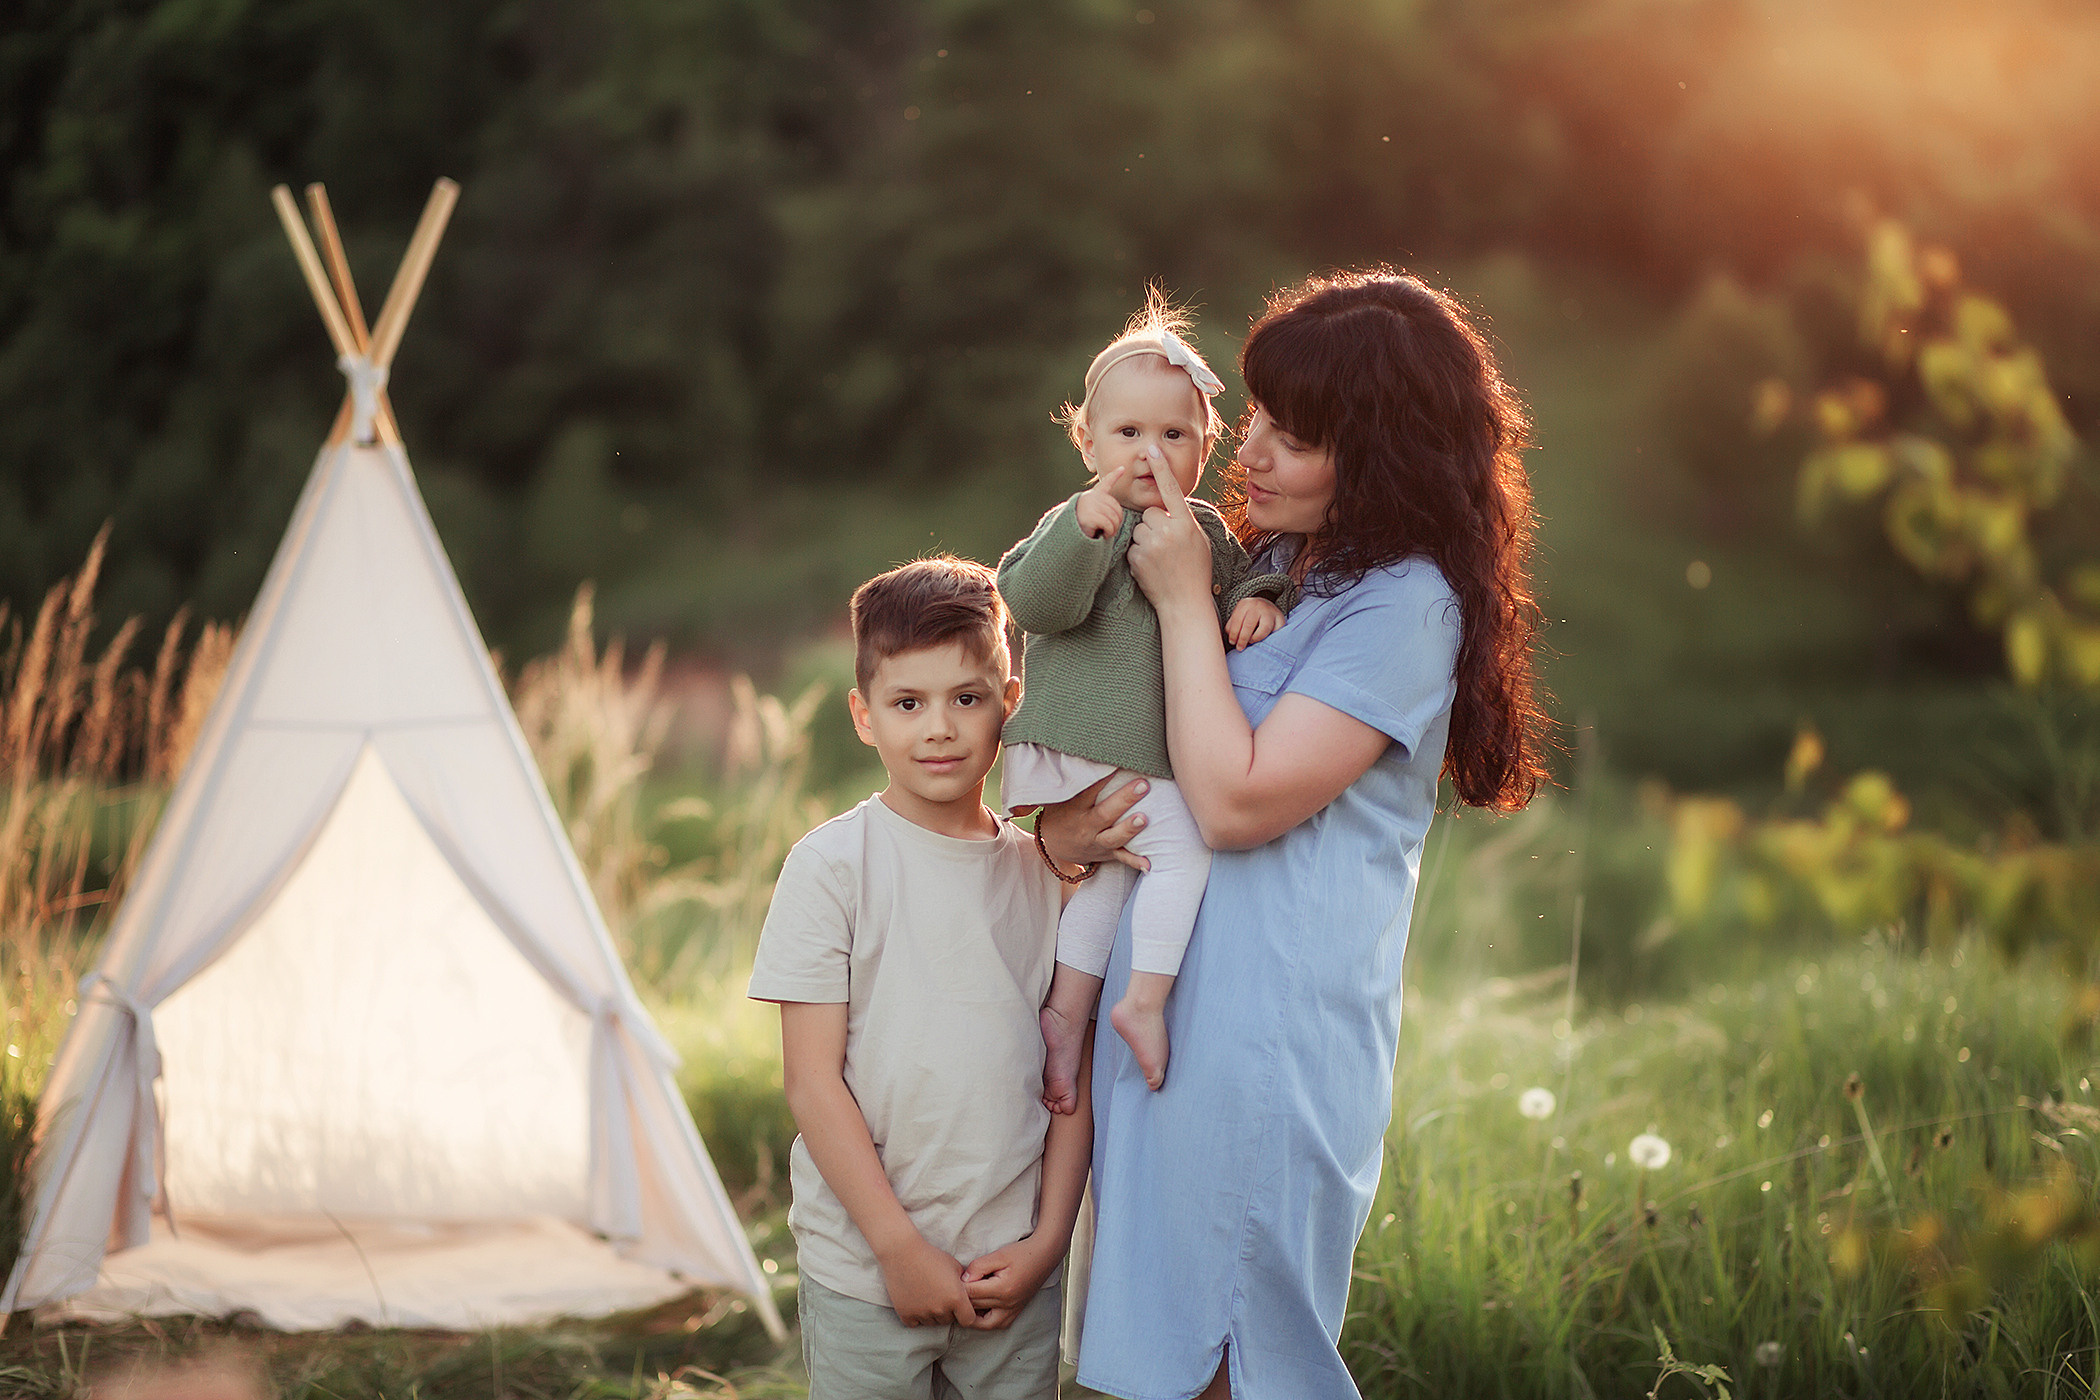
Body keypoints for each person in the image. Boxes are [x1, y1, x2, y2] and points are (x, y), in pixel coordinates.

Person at [1035, 270, 1550, 1400]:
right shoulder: (1291, 569)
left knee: (1233, 1357)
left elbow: (1236, 800)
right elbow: (1151, 754)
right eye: (1255, 414)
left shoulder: (1405, 604)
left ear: (1383, 455)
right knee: (1150, 1356)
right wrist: (1062, 829)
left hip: (1259, 1036)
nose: (1249, 450)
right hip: (1168, 1017)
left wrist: (1178, 602)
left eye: (1295, 435)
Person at [749, 557, 1093, 1400]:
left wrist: (1048, 1242)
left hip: (1009, 1269)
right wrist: (897, 1248)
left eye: (966, 699)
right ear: (864, 716)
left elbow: (1073, 1074)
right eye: (909, 704)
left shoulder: (1048, 873)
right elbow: (812, 1081)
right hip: (867, 1270)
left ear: (1009, 704)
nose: (938, 728)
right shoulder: (833, 867)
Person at [998, 295, 1295, 1114]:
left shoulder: (1200, 527)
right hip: (1077, 739)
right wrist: (1082, 531)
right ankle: (1145, 1001)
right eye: (1127, 434)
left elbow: (1243, 577)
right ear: (1087, 442)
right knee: (1186, 848)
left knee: (1108, 884)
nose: (1150, 454)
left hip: (1133, 759)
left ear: (1207, 448)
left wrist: (1260, 601)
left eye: (1176, 435)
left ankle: (1067, 1014)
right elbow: (1033, 603)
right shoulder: (1075, 519)